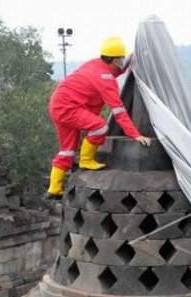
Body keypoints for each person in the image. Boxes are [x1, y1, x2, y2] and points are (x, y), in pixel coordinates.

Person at [46, 36, 152, 199]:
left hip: (57, 105)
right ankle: (86, 160)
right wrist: (135, 135)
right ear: (115, 59)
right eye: (121, 58)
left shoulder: (96, 64)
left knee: (67, 150)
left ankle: (54, 189)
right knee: (100, 127)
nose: (122, 61)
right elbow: (118, 111)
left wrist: (132, 56)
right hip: (69, 107)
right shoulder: (105, 79)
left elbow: (116, 70)